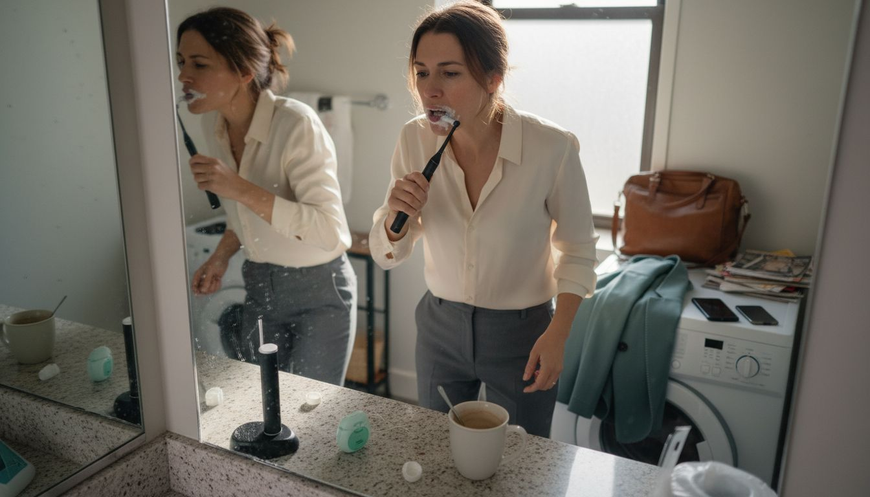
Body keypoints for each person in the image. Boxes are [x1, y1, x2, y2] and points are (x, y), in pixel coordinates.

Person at [369, 1, 598, 437]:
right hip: (438, 327)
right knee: (435, 448)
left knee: (522, 457)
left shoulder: (553, 148)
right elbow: (389, 251)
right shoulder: (413, 139)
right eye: (421, 72)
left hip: (524, 334)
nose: (430, 90)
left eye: (450, 73)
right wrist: (395, 216)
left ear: (493, 78)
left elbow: (579, 251)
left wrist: (559, 334)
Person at [176, 7, 356, 385]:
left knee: (312, 412)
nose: (183, 76)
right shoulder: (213, 125)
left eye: (199, 64)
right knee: (263, 405)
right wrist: (220, 257)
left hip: (319, 293)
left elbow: (329, 231)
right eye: (181, 62)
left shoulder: (296, 124)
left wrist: (237, 187)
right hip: (259, 286)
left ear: (244, 71)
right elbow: (243, 216)